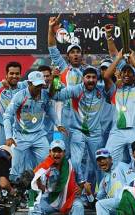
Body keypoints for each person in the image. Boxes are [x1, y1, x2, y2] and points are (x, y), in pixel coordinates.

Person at [51, 66, 106, 188]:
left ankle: (102, 192)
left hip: (95, 133)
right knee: (75, 161)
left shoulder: (101, 90)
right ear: (83, 78)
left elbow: (111, 83)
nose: (91, 80)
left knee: (100, 164)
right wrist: (55, 79)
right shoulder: (76, 90)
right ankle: (81, 184)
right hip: (77, 131)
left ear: (97, 79)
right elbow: (55, 96)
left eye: (93, 77)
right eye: (88, 77)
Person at [3, 71, 64, 180]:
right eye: (36, 86)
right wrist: (9, 136)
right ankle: (13, 192)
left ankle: (43, 189)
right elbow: (7, 115)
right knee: (15, 168)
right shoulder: (19, 96)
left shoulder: (44, 95)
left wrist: (58, 124)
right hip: (20, 136)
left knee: (47, 164)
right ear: (29, 83)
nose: (39, 89)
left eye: (41, 85)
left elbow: (50, 109)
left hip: (39, 136)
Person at [48, 15, 84, 155]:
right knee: (67, 153)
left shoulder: (88, 72)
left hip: (84, 114)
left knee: (84, 154)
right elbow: (52, 47)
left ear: (82, 55)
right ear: (68, 56)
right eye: (72, 52)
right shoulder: (63, 68)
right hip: (66, 115)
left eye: (77, 52)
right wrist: (51, 29)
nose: (75, 55)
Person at [104, 49, 135, 163]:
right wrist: (118, 57)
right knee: (109, 160)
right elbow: (106, 76)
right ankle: (113, 181)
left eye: (130, 72)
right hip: (117, 131)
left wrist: (133, 58)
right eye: (124, 72)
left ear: (134, 76)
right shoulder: (115, 89)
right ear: (120, 74)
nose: (126, 74)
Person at [30, 140, 84, 215]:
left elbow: (82, 182)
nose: (57, 154)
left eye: (59, 151)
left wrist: (80, 188)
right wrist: (37, 181)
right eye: (54, 151)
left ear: (64, 152)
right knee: (33, 210)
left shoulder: (73, 164)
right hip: (50, 200)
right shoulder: (43, 167)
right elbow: (40, 189)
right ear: (50, 152)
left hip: (69, 198)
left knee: (78, 206)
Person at [95, 148, 135, 215]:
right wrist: (89, 193)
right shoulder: (103, 181)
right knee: (100, 204)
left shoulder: (120, 166)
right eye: (99, 160)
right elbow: (98, 199)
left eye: (104, 158)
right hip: (116, 207)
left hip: (126, 201)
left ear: (111, 159)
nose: (102, 161)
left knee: (100, 205)